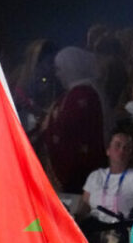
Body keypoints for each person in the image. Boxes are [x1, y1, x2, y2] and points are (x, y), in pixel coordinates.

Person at [41, 47, 106, 193]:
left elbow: (67, 127)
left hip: (79, 166)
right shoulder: (77, 92)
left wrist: (47, 127)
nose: (57, 75)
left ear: (71, 68)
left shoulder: (81, 95)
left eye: (60, 69)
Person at [79, 132, 133, 225]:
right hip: (94, 226)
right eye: (117, 145)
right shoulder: (96, 175)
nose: (121, 150)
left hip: (118, 228)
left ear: (130, 155)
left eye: (126, 148)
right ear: (108, 150)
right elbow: (85, 204)